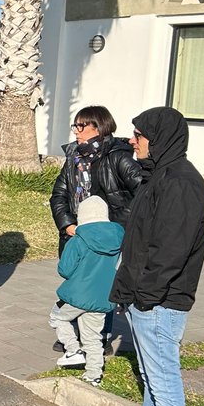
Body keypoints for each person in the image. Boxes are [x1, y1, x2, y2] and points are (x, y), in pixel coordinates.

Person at [98, 107, 204, 406]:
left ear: (159, 139)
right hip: (145, 297)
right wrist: (128, 292)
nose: (133, 139)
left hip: (161, 301)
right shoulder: (159, 175)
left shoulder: (181, 183)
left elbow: (170, 252)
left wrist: (144, 297)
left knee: (164, 382)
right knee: (149, 373)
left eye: (139, 134)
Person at [49, 104, 143, 358]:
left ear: (98, 127)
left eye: (82, 126)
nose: (76, 131)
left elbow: (143, 191)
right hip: (78, 233)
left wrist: (120, 226)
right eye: (75, 125)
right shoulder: (73, 157)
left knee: (103, 284)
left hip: (107, 236)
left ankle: (99, 337)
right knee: (78, 279)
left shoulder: (118, 156)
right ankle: (78, 333)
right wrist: (68, 224)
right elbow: (59, 195)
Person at [49, 196, 123, 387]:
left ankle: (73, 350)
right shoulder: (118, 241)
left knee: (57, 317)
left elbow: (64, 269)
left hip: (77, 295)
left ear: (82, 217)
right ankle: (94, 375)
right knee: (93, 337)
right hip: (103, 298)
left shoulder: (78, 240)